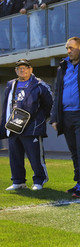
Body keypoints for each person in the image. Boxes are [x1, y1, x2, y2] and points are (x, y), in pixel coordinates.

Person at [51, 37, 80, 197]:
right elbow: (57, 93)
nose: (68, 51)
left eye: (71, 48)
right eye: (67, 48)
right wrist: (54, 117)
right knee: (74, 151)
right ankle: (78, 181)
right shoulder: (63, 67)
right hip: (65, 115)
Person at [1, 59, 53, 191]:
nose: (22, 70)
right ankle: (18, 181)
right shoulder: (11, 84)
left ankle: (39, 180)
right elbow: (5, 106)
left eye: (25, 67)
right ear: (15, 70)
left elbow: (49, 105)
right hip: (14, 126)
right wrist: (4, 125)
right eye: (19, 68)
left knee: (35, 157)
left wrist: (40, 119)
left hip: (32, 127)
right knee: (15, 156)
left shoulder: (40, 85)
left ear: (31, 69)